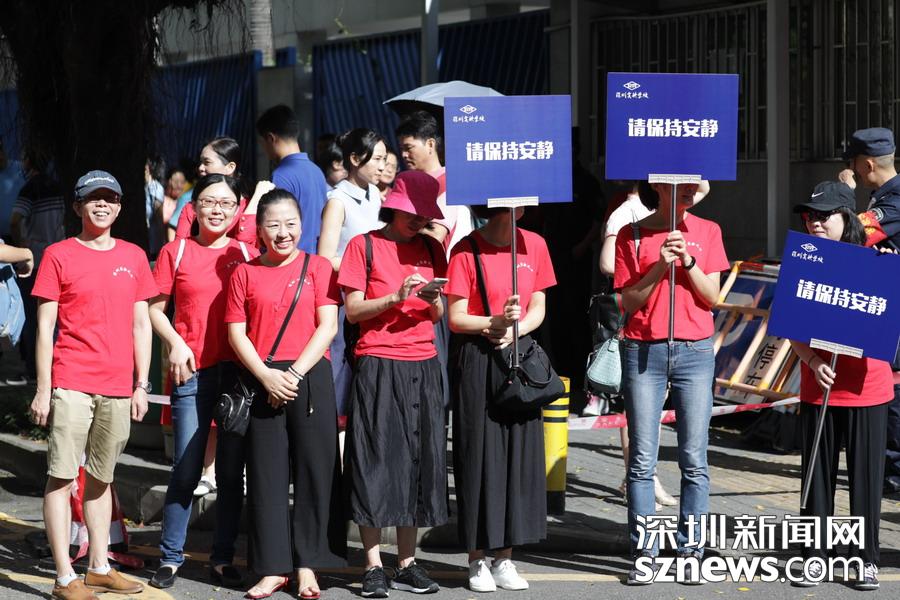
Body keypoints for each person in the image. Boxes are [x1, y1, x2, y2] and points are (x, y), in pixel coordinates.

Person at [28, 170, 155, 600]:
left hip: (118, 385)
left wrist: (142, 384)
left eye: (110, 198)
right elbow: (44, 328)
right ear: (78, 206)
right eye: (93, 198)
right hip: (71, 382)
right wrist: (43, 389)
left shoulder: (134, 256)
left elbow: (141, 325)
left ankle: (100, 567)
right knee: (62, 477)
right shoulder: (58, 254)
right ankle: (65, 577)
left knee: (101, 478)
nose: (103, 205)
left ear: (119, 206)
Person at [226, 189, 346, 599]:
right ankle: (272, 568)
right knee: (266, 475)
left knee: (316, 471)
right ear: (259, 230)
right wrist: (266, 376)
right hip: (262, 378)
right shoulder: (244, 273)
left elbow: (328, 326)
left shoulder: (319, 267)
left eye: (291, 224)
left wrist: (292, 374)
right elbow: (236, 333)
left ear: (302, 225)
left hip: (309, 375)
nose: (283, 233)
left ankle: (308, 564)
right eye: (273, 225)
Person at [614, 180, 729, 585]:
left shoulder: (708, 230)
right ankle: (644, 554)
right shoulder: (632, 233)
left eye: (696, 183)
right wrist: (660, 264)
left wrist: (689, 262)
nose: (693, 188)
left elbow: (713, 297)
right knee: (642, 460)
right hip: (644, 350)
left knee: (694, 459)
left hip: (695, 352)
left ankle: (691, 551)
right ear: (660, 186)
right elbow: (628, 301)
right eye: (683, 183)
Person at [339, 170, 448, 598]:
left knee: (418, 463)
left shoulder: (432, 248)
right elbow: (353, 310)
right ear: (394, 208)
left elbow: (438, 316)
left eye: (424, 215)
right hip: (378, 361)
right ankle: (372, 565)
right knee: (374, 461)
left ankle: (407, 562)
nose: (419, 221)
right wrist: (396, 298)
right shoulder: (363, 245)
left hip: (424, 361)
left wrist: (432, 301)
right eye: (411, 214)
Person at [148, 174, 259, 590]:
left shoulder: (247, 253)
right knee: (186, 468)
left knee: (231, 473)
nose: (217, 210)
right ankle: (170, 556)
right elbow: (155, 309)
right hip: (191, 371)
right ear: (193, 208)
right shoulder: (175, 251)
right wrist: (175, 343)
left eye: (226, 203)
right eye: (209, 202)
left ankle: (222, 558)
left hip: (238, 374)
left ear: (238, 209)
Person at [787, 181, 893, 590]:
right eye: (809, 216)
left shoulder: (879, 259)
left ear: (846, 218)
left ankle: (866, 558)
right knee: (817, 478)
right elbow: (792, 329)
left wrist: (889, 276)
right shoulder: (804, 260)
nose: (814, 223)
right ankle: (814, 555)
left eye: (823, 215)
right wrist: (814, 362)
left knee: (866, 479)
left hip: (869, 388)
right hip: (820, 386)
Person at [446, 205, 556, 592]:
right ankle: (476, 558)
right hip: (477, 358)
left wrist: (515, 329)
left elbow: (539, 305)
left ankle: (505, 557)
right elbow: (456, 317)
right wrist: (494, 323)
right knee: (477, 456)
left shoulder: (535, 245)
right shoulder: (466, 249)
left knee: (518, 457)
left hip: (518, 355)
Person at [837, 127, 900, 498]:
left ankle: (893, 472)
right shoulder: (885, 195)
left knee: (893, 391)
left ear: (867, 163)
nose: (853, 170)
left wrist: (844, 194)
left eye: (854, 163)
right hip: (884, 311)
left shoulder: (895, 199)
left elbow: (851, 235)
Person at [318, 128, 387, 422]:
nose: (383, 166)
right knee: (342, 378)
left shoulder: (375, 195)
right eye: (377, 159)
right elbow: (324, 259)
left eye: (385, 159)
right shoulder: (338, 201)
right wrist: (361, 267)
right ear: (355, 159)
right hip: (345, 301)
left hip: (373, 297)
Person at [9, 150, 65, 385]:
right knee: (56, 319)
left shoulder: (30, 189)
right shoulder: (59, 188)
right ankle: (54, 369)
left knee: (34, 318)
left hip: (36, 261)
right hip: (60, 259)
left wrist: (21, 246)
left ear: (29, 162)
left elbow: (15, 220)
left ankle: (33, 370)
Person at [395, 110, 473, 255]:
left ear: (430, 144)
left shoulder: (450, 181)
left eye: (409, 148)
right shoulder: (411, 184)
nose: (404, 155)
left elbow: (436, 235)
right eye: (401, 149)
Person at [257, 105, 330, 254]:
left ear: (270, 138)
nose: (264, 150)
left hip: (293, 259)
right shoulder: (316, 171)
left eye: (262, 143)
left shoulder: (281, 175)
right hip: (314, 258)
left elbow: (277, 224)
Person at [169, 137, 262, 247]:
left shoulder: (252, 205)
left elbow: (246, 249)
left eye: (207, 162)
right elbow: (179, 248)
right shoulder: (191, 208)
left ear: (230, 167)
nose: (200, 168)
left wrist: (256, 199)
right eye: (200, 162)